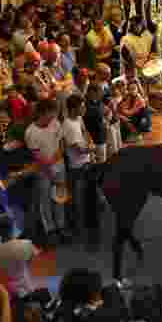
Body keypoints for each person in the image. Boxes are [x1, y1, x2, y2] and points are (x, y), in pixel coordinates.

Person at [25, 98, 68, 245]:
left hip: (59, 167)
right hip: (43, 172)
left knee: (59, 198)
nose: (53, 117)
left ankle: (61, 226)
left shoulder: (55, 123)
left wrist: (55, 160)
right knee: (45, 201)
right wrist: (49, 169)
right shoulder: (31, 132)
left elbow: (62, 145)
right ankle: (50, 230)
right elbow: (37, 157)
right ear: (43, 113)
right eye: (51, 114)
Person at [0, 122, 39, 238]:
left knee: (28, 229)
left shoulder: (22, 149)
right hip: (12, 200)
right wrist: (24, 172)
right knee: (18, 230)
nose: (21, 145)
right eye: (19, 142)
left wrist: (16, 174)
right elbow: (4, 184)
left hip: (27, 195)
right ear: (11, 140)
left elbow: (35, 167)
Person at [62, 94, 97, 234]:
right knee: (76, 199)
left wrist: (90, 141)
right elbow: (78, 149)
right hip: (76, 167)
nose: (84, 109)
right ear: (73, 109)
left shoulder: (79, 118)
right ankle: (75, 226)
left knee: (87, 195)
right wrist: (91, 149)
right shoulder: (67, 126)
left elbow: (85, 130)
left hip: (86, 162)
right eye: (81, 107)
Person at [0, 213, 39, 297]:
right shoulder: (26, 244)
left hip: (2, 291)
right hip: (26, 289)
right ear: (12, 228)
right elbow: (30, 261)